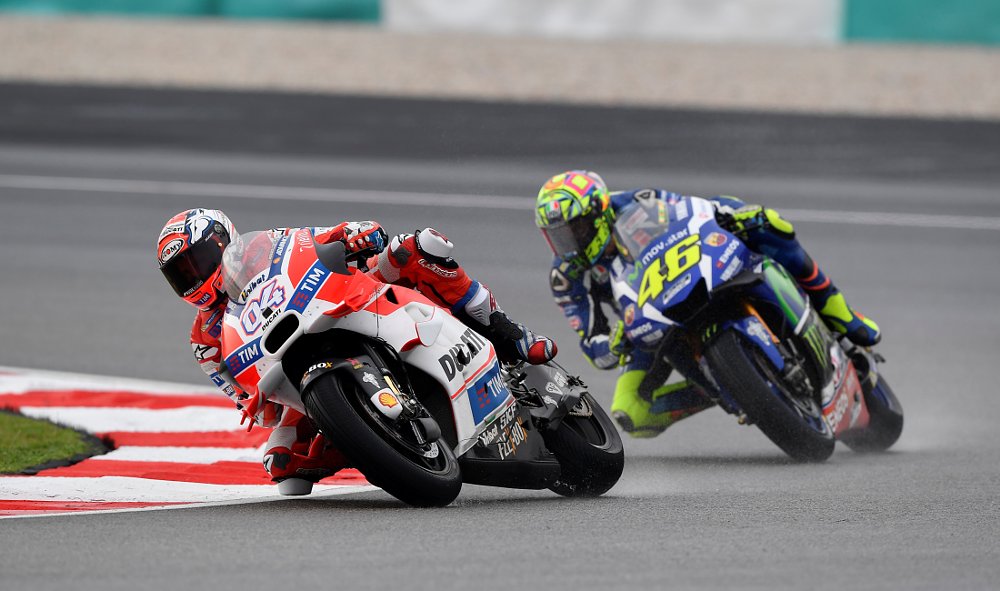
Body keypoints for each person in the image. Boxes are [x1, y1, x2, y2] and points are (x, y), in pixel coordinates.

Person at [156, 208, 556, 494]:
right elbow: (251, 402)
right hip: (297, 373)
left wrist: (356, 234)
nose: (193, 278)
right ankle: (375, 441)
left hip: (341, 300)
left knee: (415, 248)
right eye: (181, 275)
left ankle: (505, 332)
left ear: (223, 242)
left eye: (197, 262)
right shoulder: (205, 340)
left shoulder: (265, 248)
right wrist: (260, 400)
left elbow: (325, 238)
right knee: (283, 465)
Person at [534, 171, 881, 438]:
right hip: (647, 322)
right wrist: (610, 345)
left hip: (697, 276)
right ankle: (726, 388)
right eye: (557, 236)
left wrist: (731, 214)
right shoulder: (567, 277)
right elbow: (592, 343)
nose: (568, 244)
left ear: (597, 213)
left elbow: (695, 212)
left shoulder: (637, 203)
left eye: (573, 230)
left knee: (770, 226)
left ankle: (841, 315)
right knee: (630, 413)